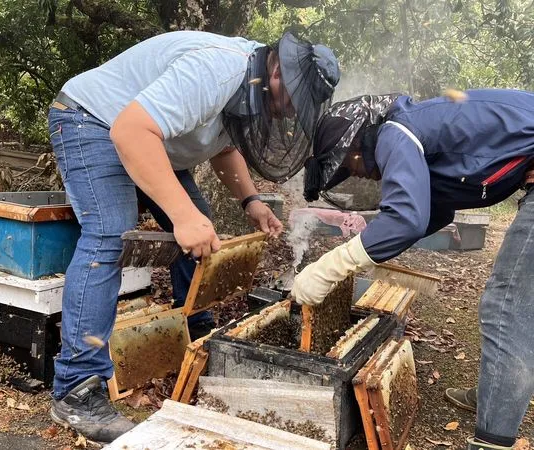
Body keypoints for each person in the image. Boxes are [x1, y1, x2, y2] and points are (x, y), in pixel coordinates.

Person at [47, 30, 340, 442]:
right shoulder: (216, 69)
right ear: (278, 75)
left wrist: (250, 200)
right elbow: (131, 132)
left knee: (202, 231)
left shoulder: (249, 90)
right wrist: (181, 216)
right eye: (293, 104)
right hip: (94, 121)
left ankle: (198, 333)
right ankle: (76, 389)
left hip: (153, 140)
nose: (289, 115)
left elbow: (223, 148)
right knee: (110, 234)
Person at [291, 90, 534, 450]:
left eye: (350, 166)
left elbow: (407, 219)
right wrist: (375, 241)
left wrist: (330, 266)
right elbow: (434, 212)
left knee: (505, 310)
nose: (358, 174)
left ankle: (492, 442)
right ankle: (496, 392)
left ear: (357, 145)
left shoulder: (396, 131)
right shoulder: (416, 126)